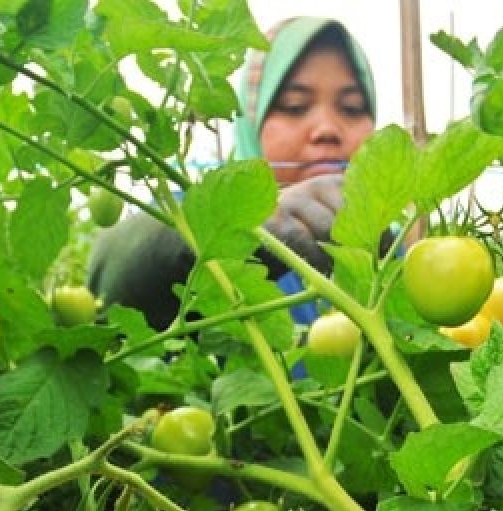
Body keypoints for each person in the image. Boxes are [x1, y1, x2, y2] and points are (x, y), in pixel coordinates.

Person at [86, 17, 378, 330]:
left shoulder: (390, 250)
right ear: (251, 123)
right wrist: (251, 226)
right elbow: (112, 274)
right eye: (295, 106)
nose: (327, 129)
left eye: (352, 107)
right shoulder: (194, 214)